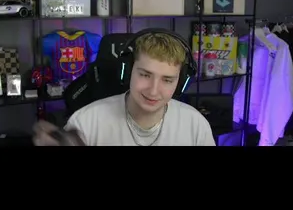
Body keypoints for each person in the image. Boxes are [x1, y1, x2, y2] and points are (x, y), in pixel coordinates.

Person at [33, 31, 216, 146]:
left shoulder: (195, 125)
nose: (153, 91)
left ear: (181, 82)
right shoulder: (86, 123)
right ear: (127, 72)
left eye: (167, 80)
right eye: (145, 75)